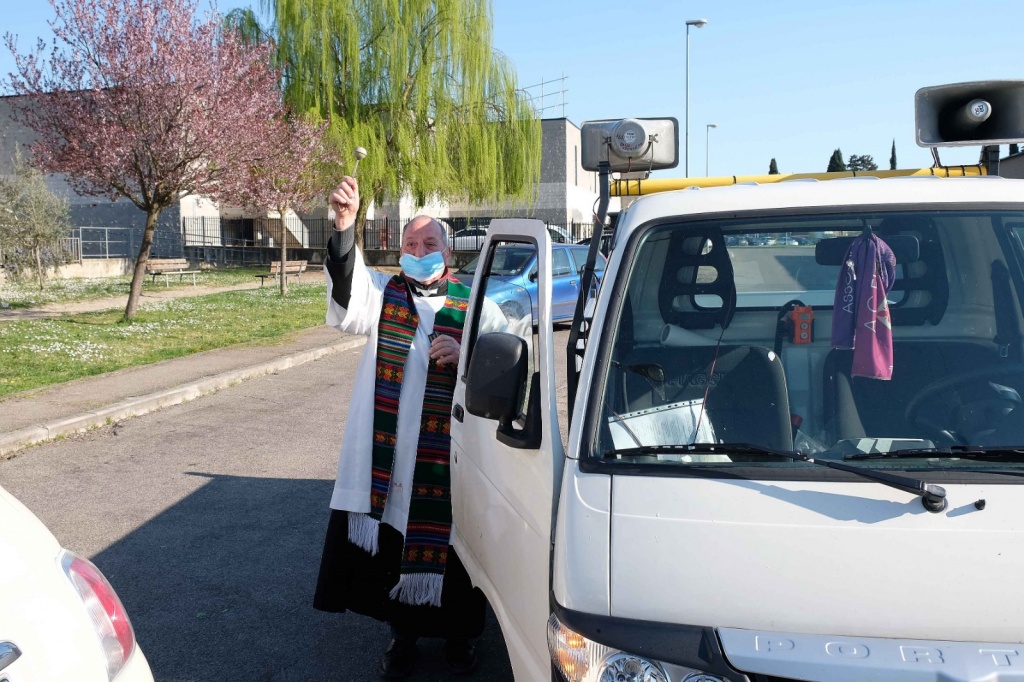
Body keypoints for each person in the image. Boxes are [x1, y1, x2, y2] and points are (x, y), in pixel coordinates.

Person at [313, 176, 502, 679]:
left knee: (459, 553)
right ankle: (403, 636)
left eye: (429, 243)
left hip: (452, 460)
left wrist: (466, 357)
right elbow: (347, 293)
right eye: (411, 245)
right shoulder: (383, 294)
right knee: (396, 549)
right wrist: (345, 226)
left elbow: (507, 366)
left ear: (448, 251)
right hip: (395, 458)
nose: (420, 252)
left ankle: (461, 637)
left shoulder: (478, 304)